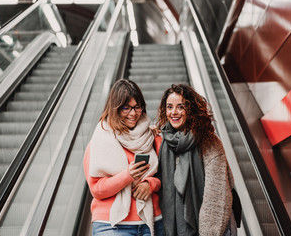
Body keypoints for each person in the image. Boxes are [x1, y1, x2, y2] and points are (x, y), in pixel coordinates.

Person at [83, 79, 163, 236]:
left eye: (137, 107)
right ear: (115, 108)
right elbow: (96, 190)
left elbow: (166, 177)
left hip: (152, 222)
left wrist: (150, 184)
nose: (133, 113)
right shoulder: (99, 142)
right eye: (126, 108)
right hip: (111, 226)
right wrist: (127, 176)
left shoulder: (152, 137)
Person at [156, 84, 237, 236]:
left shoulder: (209, 142)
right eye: (169, 107)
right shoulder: (164, 142)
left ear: (191, 109)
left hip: (213, 228)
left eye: (181, 107)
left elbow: (217, 196)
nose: (174, 112)